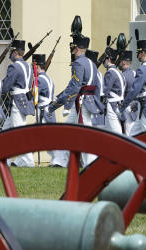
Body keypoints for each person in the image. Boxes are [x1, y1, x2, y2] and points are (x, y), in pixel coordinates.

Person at [50, 29, 103, 166]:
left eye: (73, 47)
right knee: (68, 130)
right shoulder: (91, 63)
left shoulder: (78, 63)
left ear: (77, 48)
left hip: (81, 101)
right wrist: (58, 99)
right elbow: (95, 85)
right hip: (88, 100)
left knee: (85, 133)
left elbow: (75, 86)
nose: (72, 50)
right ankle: (62, 161)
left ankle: (90, 163)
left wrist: (66, 105)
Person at [0, 38, 35, 166]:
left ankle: (27, 161)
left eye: (11, 51)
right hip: (25, 98)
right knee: (5, 131)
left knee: (19, 132)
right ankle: (5, 159)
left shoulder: (14, 66)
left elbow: (6, 85)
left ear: (15, 52)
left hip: (17, 101)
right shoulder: (28, 66)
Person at [118, 50, 139, 137]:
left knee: (128, 133)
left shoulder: (122, 76)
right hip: (137, 106)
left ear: (123, 62)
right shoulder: (135, 73)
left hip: (127, 106)